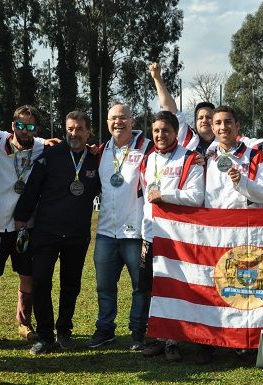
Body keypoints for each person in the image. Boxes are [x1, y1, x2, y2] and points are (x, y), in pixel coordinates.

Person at [12, 110, 100, 354]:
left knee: (71, 284)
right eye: (70, 128)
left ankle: (64, 332)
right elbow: (32, 191)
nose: (74, 133)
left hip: (77, 234)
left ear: (88, 131)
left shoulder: (96, 158)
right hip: (46, 232)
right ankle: (45, 335)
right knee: (41, 282)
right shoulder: (50, 156)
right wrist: (20, 220)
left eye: (79, 129)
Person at [195, 105, 263, 364]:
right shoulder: (206, 155)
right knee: (214, 288)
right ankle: (209, 342)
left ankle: (244, 342)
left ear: (238, 125)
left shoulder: (255, 156)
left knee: (244, 291)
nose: (222, 128)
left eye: (227, 122)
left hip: (245, 234)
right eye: (217, 123)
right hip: (214, 234)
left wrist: (241, 183)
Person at [0, 105, 46, 348]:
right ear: (13, 125)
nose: (25, 131)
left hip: (24, 227)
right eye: (20, 125)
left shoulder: (39, 146)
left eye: (31, 126)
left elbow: (58, 145)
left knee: (27, 276)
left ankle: (24, 323)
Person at [86, 103, 154, 350]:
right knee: (104, 286)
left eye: (123, 118)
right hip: (106, 232)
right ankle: (105, 330)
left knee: (141, 287)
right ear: (107, 122)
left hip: (136, 232)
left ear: (132, 121)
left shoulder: (148, 148)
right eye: (113, 118)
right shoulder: (100, 151)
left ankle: (138, 332)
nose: (118, 122)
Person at [139, 111, 205, 362]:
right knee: (151, 288)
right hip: (150, 235)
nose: (160, 135)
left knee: (176, 288)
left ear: (175, 132)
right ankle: (157, 336)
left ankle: (173, 341)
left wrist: (166, 195)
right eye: (156, 130)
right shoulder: (147, 160)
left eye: (165, 130)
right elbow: (145, 199)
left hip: (178, 238)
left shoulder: (190, 159)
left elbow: (196, 197)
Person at [149, 62, 216, 154]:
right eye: (200, 118)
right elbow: (168, 107)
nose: (204, 120)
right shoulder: (187, 135)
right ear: (195, 122)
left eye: (208, 117)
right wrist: (157, 78)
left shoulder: (226, 142)